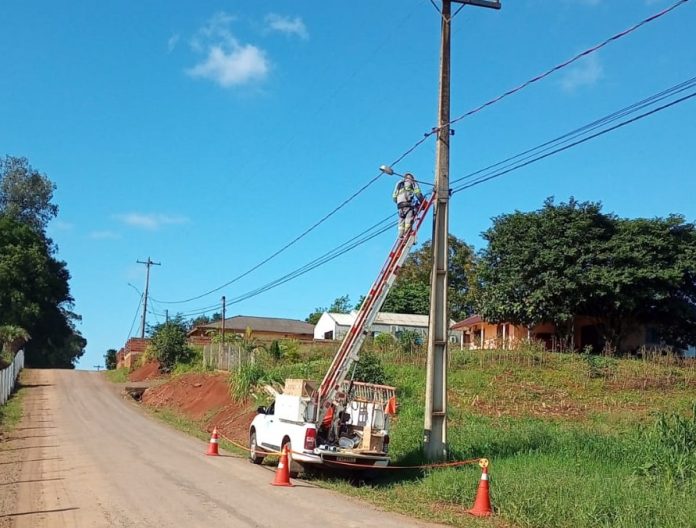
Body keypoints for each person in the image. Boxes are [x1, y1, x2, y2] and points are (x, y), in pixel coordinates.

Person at [392, 172, 424, 238]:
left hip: (399, 206)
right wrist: (422, 202)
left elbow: (394, 197)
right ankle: (407, 233)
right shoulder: (413, 182)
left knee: (401, 221)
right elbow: (418, 193)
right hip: (408, 204)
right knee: (408, 220)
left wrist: (399, 202)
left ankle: (400, 234)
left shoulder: (399, 183)